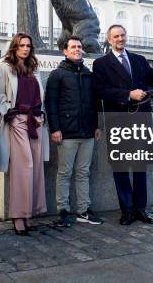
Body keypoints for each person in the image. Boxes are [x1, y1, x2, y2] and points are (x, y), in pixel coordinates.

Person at [92, 24, 153, 226]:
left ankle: (140, 209)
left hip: (141, 120)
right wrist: (128, 95)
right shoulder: (101, 64)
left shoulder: (139, 60)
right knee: (121, 168)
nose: (120, 39)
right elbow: (100, 91)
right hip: (117, 122)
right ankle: (127, 211)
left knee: (141, 167)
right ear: (109, 40)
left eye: (122, 35)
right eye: (115, 36)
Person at [45, 36, 102, 227]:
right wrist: (55, 129)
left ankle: (84, 210)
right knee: (64, 173)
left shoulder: (88, 74)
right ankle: (63, 210)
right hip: (67, 133)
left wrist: (96, 126)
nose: (77, 49)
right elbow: (50, 104)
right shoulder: (57, 74)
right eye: (73, 47)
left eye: (79, 47)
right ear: (65, 51)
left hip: (87, 133)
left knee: (83, 172)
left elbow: (94, 104)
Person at [0, 32, 48, 235]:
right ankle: (18, 215)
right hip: (17, 121)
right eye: (21, 45)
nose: (25, 49)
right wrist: (8, 111)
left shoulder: (34, 69)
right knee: (23, 166)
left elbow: (40, 96)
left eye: (28, 45)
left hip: (36, 122)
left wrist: (41, 114)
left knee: (35, 168)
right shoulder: (5, 68)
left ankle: (29, 213)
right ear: (14, 47)